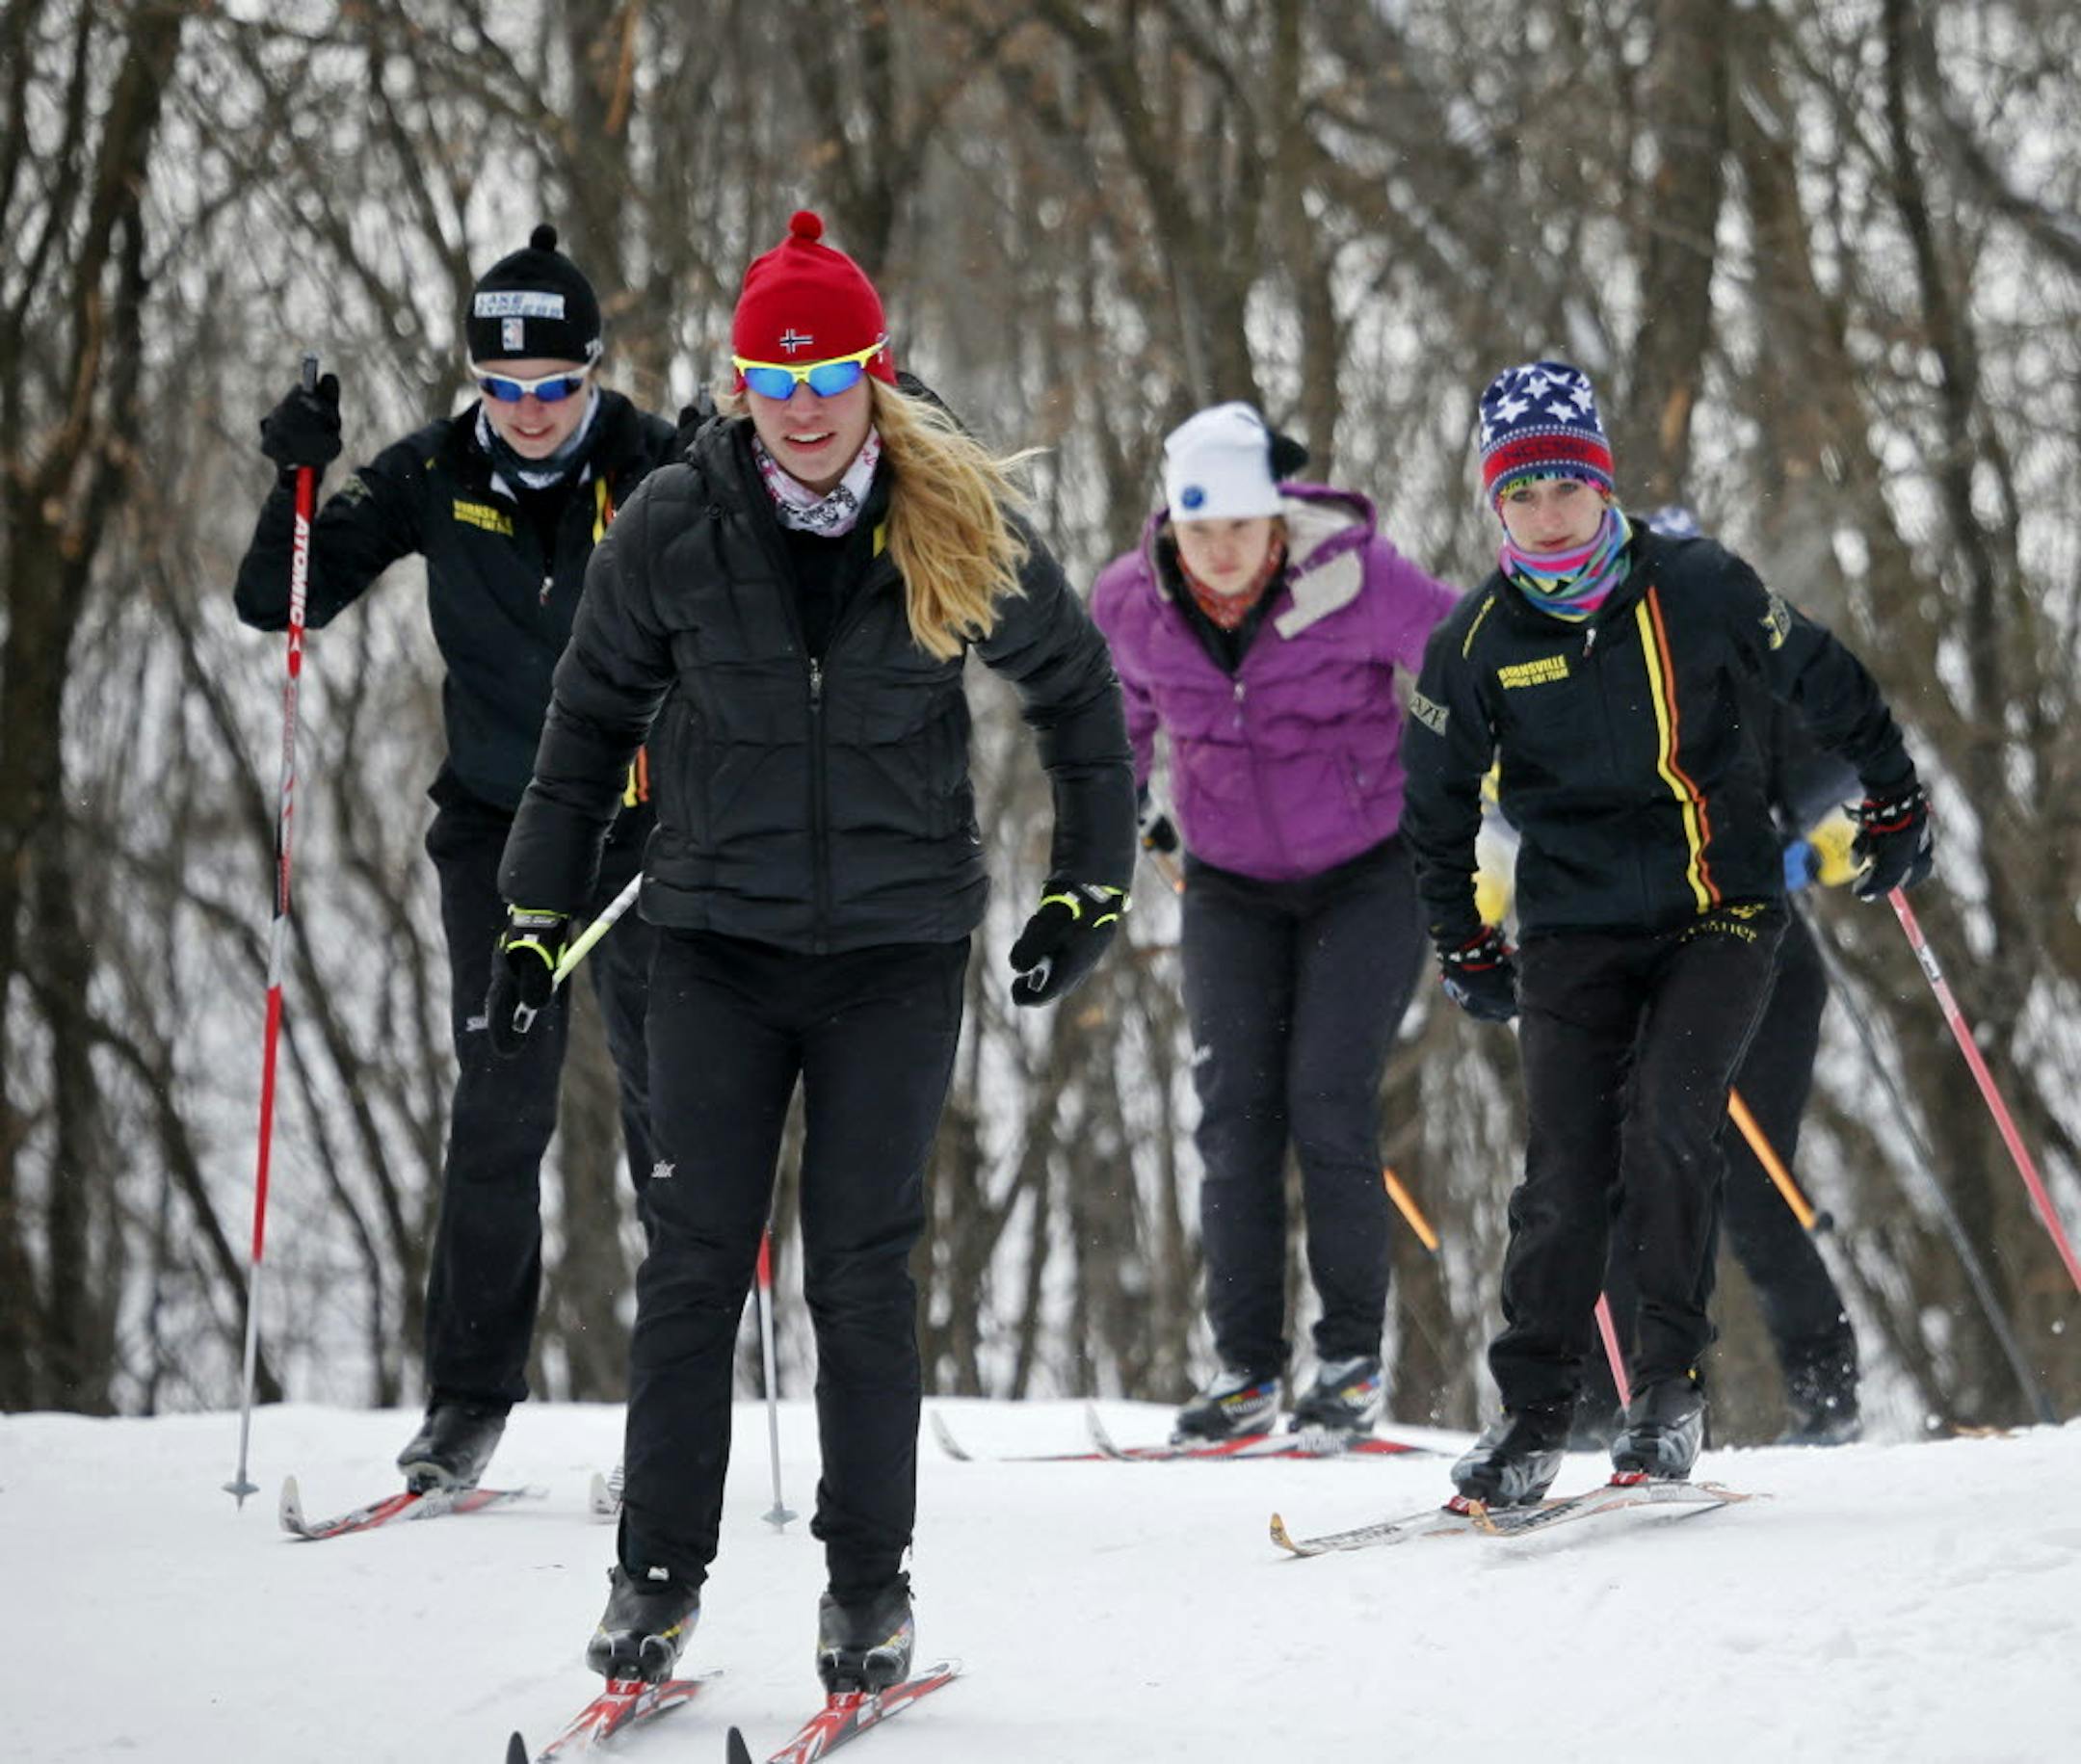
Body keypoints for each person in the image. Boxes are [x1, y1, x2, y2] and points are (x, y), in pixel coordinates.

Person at [490, 210, 1135, 1693]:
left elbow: (1079, 700)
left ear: (872, 372)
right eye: (771, 378)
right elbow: (586, 725)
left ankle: (867, 1589)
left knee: (858, 1268)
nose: (800, 404)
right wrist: (533, 918)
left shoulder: (954, 512)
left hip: (897, 954)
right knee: (696, 1262)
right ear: (736, 383)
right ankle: (654, 1581)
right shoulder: (671, 520)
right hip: (710, 940)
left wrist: (1083, 889)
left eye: (828, 372)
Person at [1402, 360, 1933, 1507]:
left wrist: (1896, 797)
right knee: (1564, 1171)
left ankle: (1666, 1394)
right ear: (1497, 505)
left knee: (1671, 1132)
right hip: (1574, 930)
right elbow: (1434, 810)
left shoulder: (1695, 584)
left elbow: (1828, 678)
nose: (1550, 513)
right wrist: (1462, 939)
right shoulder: (1478, 640)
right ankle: (1534, 1416)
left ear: (1604, 482)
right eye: (1523, 492)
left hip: (1723, 910)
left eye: (1568, 485)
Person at [234, 225, 676, 1493]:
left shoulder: (653, 463)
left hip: (644, 832)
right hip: (499, 828)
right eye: (505, 387)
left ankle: (676, 1407)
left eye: (556, 387)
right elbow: (283, 598)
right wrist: (298, 480)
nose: (531, 412)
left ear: (592, 374)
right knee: (498, 1105)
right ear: (477, 380)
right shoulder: (433, 469)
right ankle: (466, 1406)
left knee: (674, 1118)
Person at [1091, 403, 1458, 1443]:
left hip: (1369, 874)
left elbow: (1469, 653)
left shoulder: (1355, 574)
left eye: (1240, 531)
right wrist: (1124, 808)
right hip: (1230, 886)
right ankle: (1247, 1370)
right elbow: (1112, 722)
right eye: (1199, 531)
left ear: (1276, 521)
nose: (1219, 553)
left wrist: (1480, 783)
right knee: (1234, 1112)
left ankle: (1347, 1362)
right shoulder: (1132, 602)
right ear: (1171, 522)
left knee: (1327, 1101)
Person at [1569, 506, 1865, 1447]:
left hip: (1765, 967)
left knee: (1746, 1178)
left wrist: (1800, 846)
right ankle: (1598, 1405)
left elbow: (1852, 775)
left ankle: (1828, 1395)